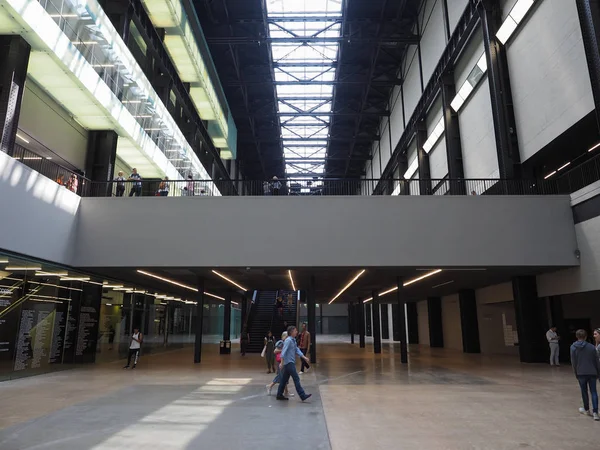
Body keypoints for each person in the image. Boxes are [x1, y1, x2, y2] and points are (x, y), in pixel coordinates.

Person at [276, 325, 312, 402]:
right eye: (295, 331)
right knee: (296, 378)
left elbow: (297, 350)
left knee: (284, 380)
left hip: (289, 362)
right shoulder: (288, 340)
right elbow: (283, 352)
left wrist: (304, 357)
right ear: (291, 332)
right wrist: (282, 363)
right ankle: (302, 395)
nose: (297, 332)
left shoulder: (293, 340)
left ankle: (279, 394)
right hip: (289, 363)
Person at [570, 329, 600, 420]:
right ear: (586, 336)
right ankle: (595, 412)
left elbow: (573, 362)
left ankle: (586, 409)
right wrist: (598, 372)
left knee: (584, 391)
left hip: (581, 372)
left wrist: (576, 372)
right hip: (592, 372)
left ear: (577, 336)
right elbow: (596, 361)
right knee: (593, 391)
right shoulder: (591, 347)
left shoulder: (573, 347)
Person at [266, 331, 292, 397]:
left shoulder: (286, 343)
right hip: (280, 362)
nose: (287, 338)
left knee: (283, 376)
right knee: (282, 376)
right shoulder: (281, 343)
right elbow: (275, 351)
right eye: (286, 336)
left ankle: (286, 391)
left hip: (284, 362)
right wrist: (284, 350)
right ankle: (270, 386)